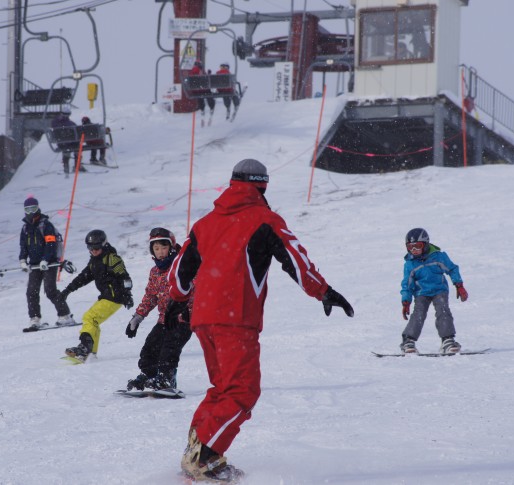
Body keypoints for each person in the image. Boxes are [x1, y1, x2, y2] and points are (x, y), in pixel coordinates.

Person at [167, 158, 354, 482]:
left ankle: (196, 450)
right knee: (242, 392)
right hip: (235, 318)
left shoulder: (205, 223)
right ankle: (205, 458)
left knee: (222, 388)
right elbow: (296, 260)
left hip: (203, 319)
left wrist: (181, 298)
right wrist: (323, 292)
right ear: (262, 186)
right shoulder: (264, 219)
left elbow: (178, 275)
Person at [124, 227, 193, 391]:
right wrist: (137, 317)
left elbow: (195, 289)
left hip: (184, 319)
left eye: (164, 247)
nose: (160, 252)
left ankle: (167, 379)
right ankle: (150, 376)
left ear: (171, 247)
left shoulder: (183, 266)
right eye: (156, 249)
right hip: (164, 320)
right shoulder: (155, 272)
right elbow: (150, 296)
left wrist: (187, 310)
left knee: (169, 349)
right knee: (149, 348)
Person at [60, 229, 133, 362]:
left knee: (89, 317)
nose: (93, 251)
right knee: (94, 322)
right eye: (90, 248)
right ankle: (91, 354)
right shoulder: (94, 261)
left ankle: (84, 349)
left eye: (96, 248)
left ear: (104, 245)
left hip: (115, 296)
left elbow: (125, 278)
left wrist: (128, 295)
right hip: (106, 296)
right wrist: (67, 290)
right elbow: (83, 277)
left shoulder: (112, 259)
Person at [399, 228, 468, 354]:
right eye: (410, 247)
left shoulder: (438, 257)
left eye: (417, 246)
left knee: (443, 311)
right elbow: (407, 284)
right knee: (418, 314)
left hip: (439, 290)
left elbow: (452, 269)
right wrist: (406, 301)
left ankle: (448, 340)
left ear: (425, 244)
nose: (414, 250)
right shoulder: (410, 264)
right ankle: (408, 341)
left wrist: (459, 285)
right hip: (421, 293)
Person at [19, 197, 75, 331]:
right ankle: (35, 318)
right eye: (27, 209)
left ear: (38, 208)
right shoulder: (25, 228)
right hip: (34, 265)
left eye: (33, 208)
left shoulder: (46, 225)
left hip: (49, 263)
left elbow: (51, 244)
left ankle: (65, 315)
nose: (31, 212)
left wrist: (45, 258)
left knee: (50, 290)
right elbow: (23, 246)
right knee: (31, 292)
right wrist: (22, 260)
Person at [50, 109, 84, 174]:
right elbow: (74, 127)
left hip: (62, 142)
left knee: (67, 151)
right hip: (69, 142)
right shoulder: (67, 122)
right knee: (77, 148)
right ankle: (77, 166)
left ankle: (67, 166)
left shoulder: (56, 122)